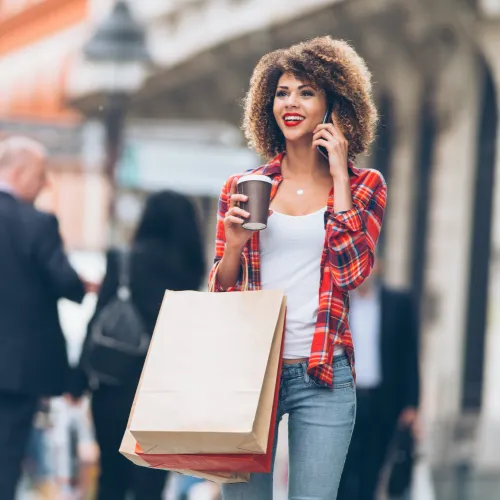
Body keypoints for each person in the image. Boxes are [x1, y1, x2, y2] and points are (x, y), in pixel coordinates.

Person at [209, 36, 387, 500]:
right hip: (253, 371)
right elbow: (221, 290)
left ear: (334, 104)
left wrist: (342, 178)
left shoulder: (366, 184)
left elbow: (354, 274)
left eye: (306, 92)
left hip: (323, 372)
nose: (291, 102)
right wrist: (233, 247)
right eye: (283, 92)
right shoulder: (246, 186)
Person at [70, 190, 206, 500]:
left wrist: (77, 381)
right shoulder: (190, 271)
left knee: (111, 480)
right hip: (164, 391)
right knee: (151, 483)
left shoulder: (124, 261)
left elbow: (97, 321)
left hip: (113, 385)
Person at [0, 136, 87, 499]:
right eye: (40, 174)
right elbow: (66, 282)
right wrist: (83, 284)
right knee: (6, 455)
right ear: (17, 172)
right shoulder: (36, 223)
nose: (45, 183)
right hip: (18, 370)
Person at [338, 261, 420, 500]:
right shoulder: (338, 302)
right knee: (342, 471)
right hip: (344, 399)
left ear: (378, 267)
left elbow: (409, 355)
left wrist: (412, 405)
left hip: (382, 401)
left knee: (372, 472)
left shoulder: (399, 303)